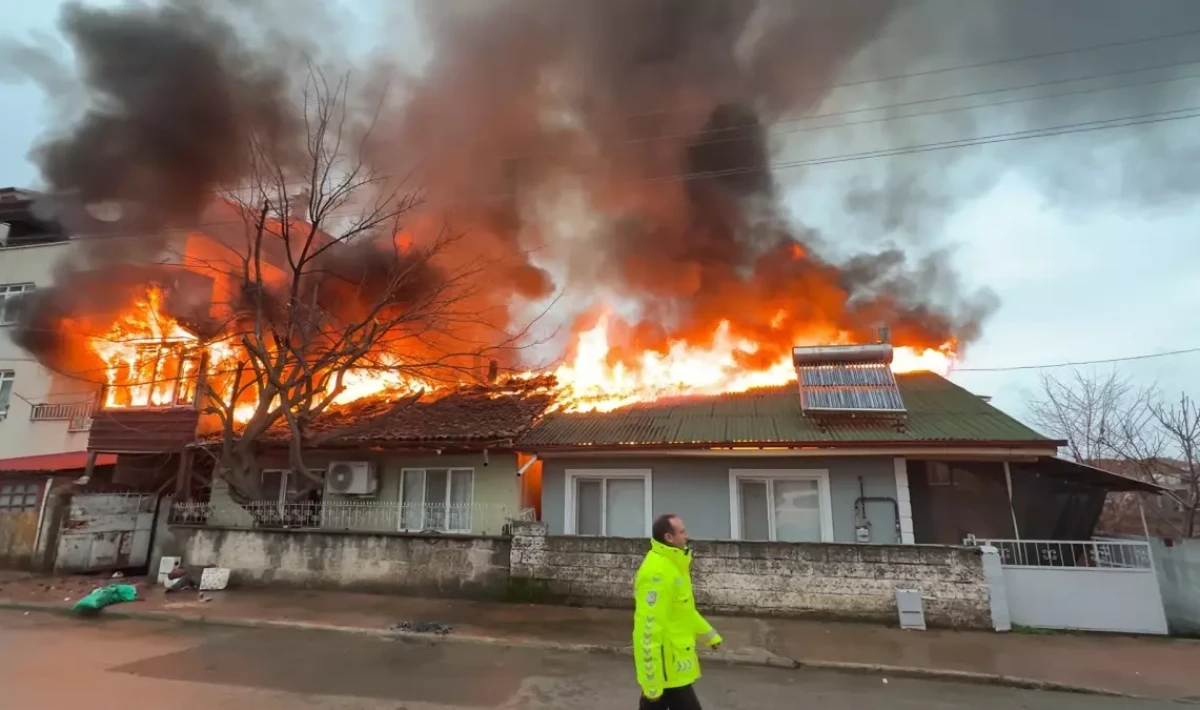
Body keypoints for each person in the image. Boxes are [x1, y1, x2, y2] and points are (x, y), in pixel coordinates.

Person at [633, 513, 722, 710]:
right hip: (665, 672)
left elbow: (684, 612)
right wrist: (652, 682)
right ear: (669, 538)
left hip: (675, 667)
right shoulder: (657, 573)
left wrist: (710, 636)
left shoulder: (675, 565)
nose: (687, 536)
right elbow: (647, 631)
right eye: (682, 532)